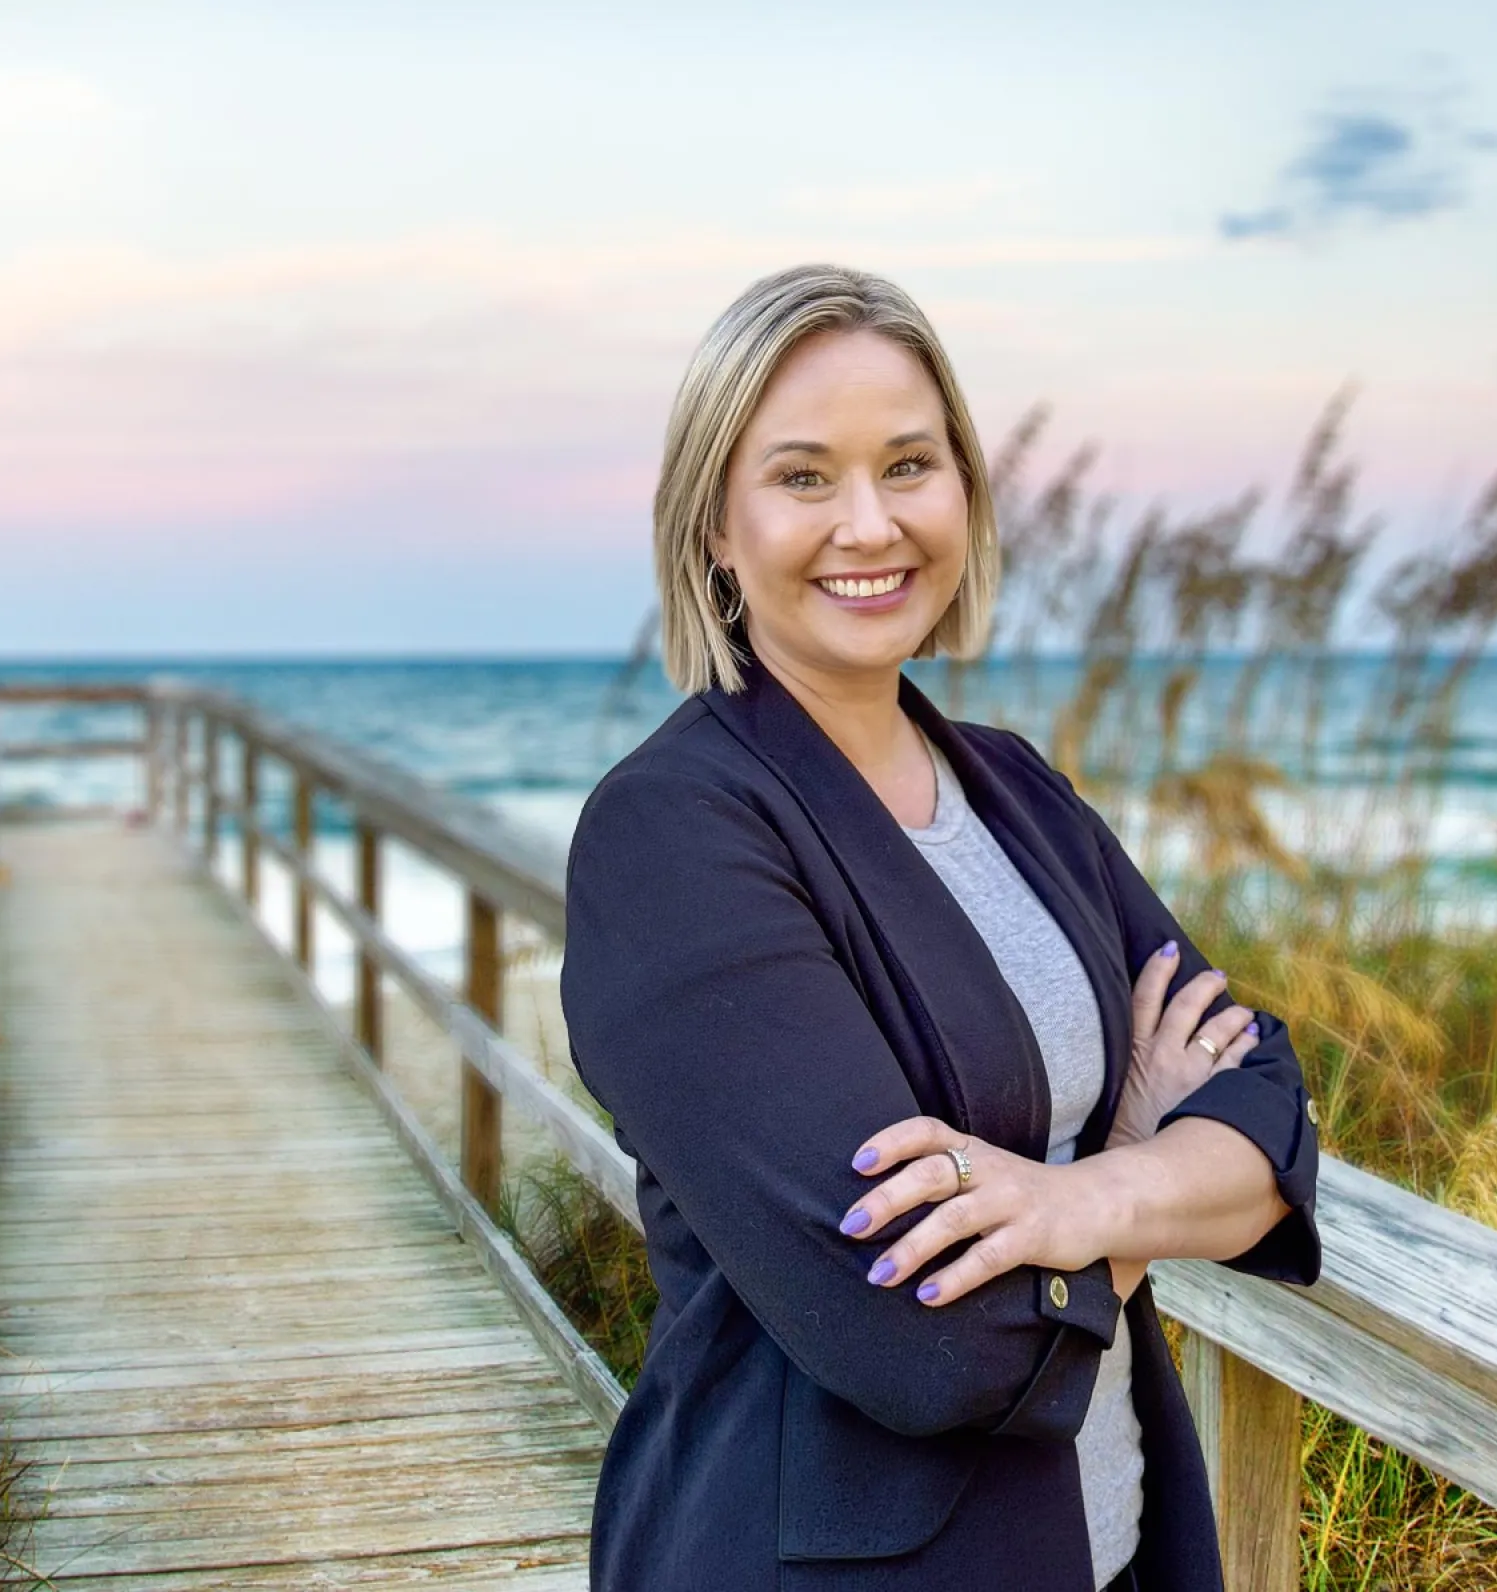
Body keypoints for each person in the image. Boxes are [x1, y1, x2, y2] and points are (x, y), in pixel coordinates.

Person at [559, 263, 1321, 1592]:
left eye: (910, 464)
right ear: (716, 532)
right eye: (803, 478)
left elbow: (1264, 1105)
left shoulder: (1017, 789)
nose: (871, 524)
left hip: (1119, 1544)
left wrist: (1083, 1196)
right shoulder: (674, 837)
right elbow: (925, 1342)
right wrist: (1153, 1178)